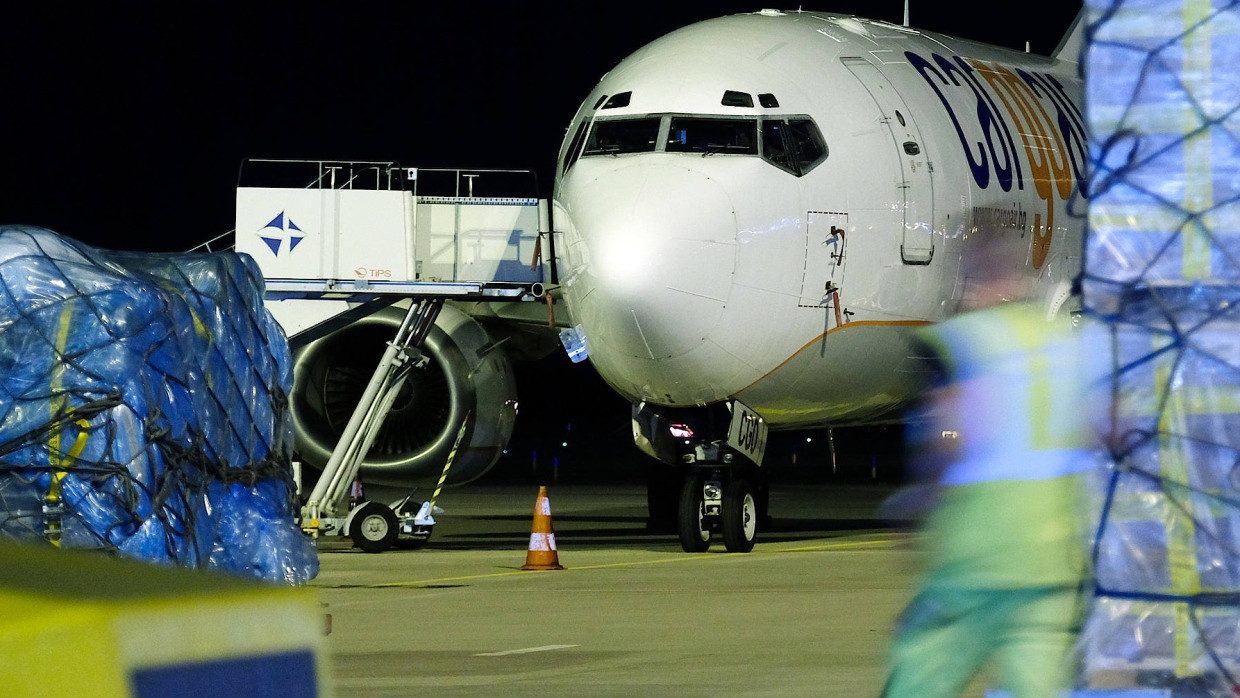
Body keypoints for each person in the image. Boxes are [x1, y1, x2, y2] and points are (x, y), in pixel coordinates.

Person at [881, 280, 1103, 698]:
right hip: (1052, 571)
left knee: (917, 682)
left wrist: (913, 508)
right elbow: (1110, 431)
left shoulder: (966, 340)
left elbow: (947, 439)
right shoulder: (1072, 344)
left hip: (975, 563)